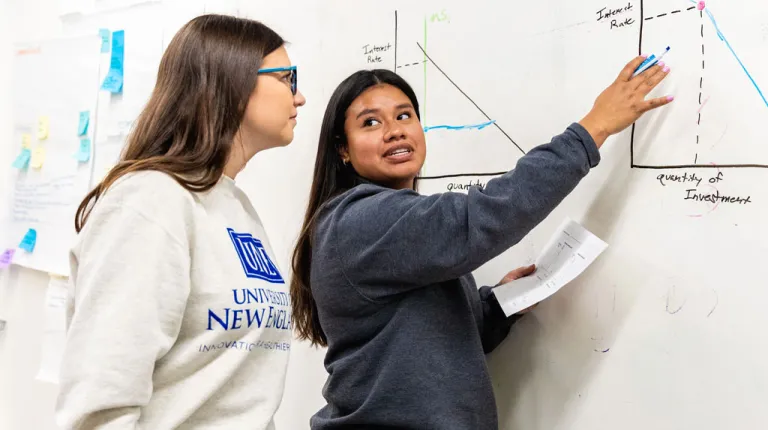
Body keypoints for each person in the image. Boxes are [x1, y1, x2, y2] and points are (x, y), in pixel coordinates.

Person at [291, 57, 672, 429]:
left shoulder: (397, 228)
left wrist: (499, 305)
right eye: (371, 122)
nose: (394, 130)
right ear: (343, 149)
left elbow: (433, 345)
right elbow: (486, 215)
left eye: (405, 115)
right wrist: (594, 128)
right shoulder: (360, 220)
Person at [55, 14, 305, 429]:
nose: (299, 98)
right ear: (234, 81)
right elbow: (99, 402)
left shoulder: (235, 205)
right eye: (287, 78)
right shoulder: (149, 202)